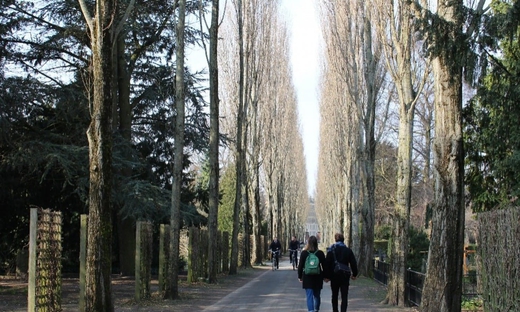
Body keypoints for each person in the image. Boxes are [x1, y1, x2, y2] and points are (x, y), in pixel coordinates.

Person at [324, 233, 358, 312]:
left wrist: (327, 276)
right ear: (343, 240)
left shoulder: (331, 250)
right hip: (345, 276)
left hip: (334, 275)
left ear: (335, 240)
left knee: (334, 295)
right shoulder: (348, 250)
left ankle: (335, 310)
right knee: (344, 296)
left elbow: (327, 264)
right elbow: (353, 263)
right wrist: (354, 274)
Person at [298, 235, 326, 312]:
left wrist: (300, 276)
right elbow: (325, 266)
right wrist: (325, 276)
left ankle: (311, 310)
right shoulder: (320, 253)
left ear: (308, 243)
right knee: (317, 295)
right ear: (316, 243)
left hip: (307, 277)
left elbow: (300, 266)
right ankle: (316, 309)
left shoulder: (304, 253)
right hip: (318, 276)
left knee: (309, 296)